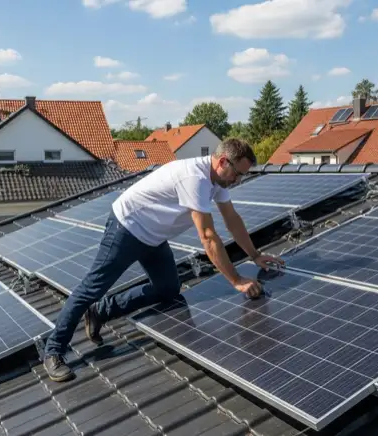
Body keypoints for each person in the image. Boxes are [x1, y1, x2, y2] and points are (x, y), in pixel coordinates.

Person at [43, 138, 285, 381]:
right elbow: (208, 237)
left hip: (153, 236)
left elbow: (232, 219)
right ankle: (53, 351)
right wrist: (236, 280)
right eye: (238, 174)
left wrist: (255, 255)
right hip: (126, 228)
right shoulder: (195, 178)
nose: (238, 180)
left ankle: (101, 311)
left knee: (168, 288)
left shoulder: (217, 180)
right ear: (223, 162)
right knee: (91, 289)